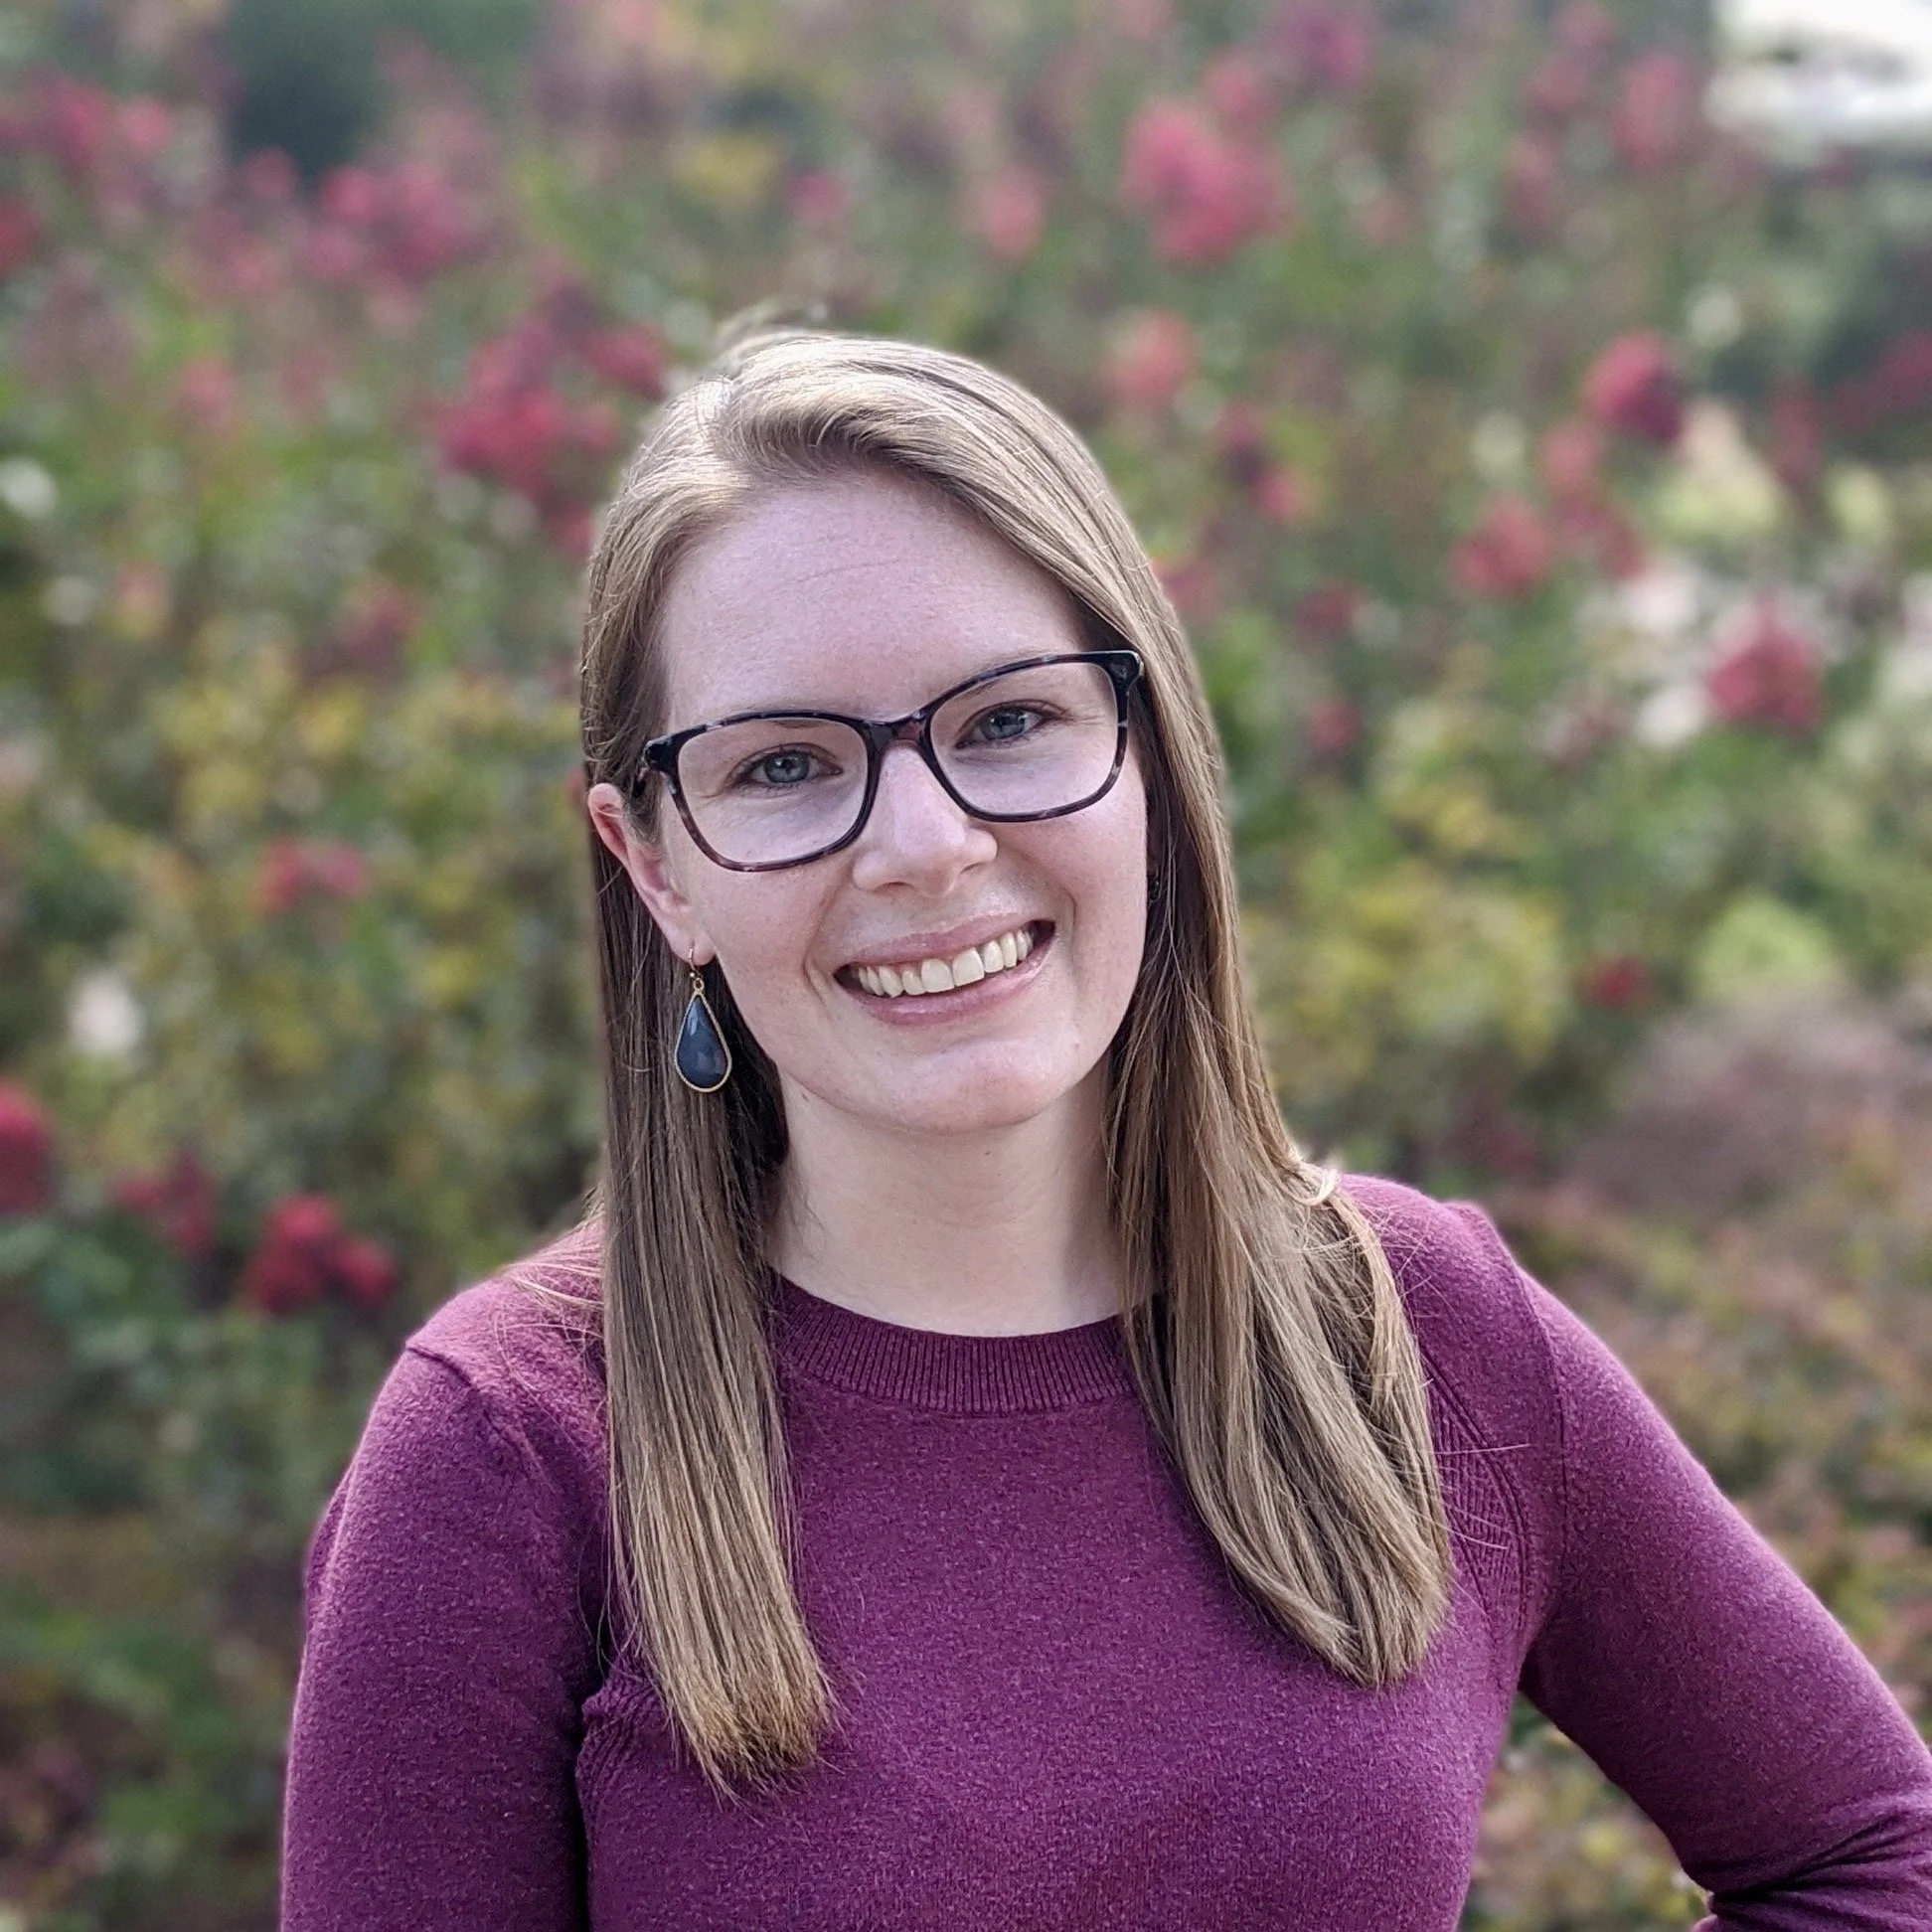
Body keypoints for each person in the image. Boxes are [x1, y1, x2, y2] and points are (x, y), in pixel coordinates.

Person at [279, 330, 1932, 1930]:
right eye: (784, 763)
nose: (926, 847)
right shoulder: (507, 1452)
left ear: (1146, 754)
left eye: (1007, 722)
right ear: (656, 866)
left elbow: (1873, 1858)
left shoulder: (1415, 1336)